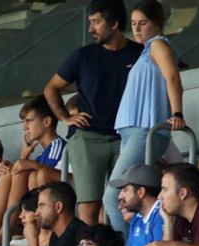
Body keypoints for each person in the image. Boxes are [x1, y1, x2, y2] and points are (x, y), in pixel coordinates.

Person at [41, 0, 141, 228]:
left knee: (128, 199)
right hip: (88, 137)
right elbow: (51, 88)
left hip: (125, 136)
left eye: (96, 22)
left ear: (114, 23)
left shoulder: (139, 53)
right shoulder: (83, 56)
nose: (90, 29)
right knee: (89, 205)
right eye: (90, 22)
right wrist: (65, 117)